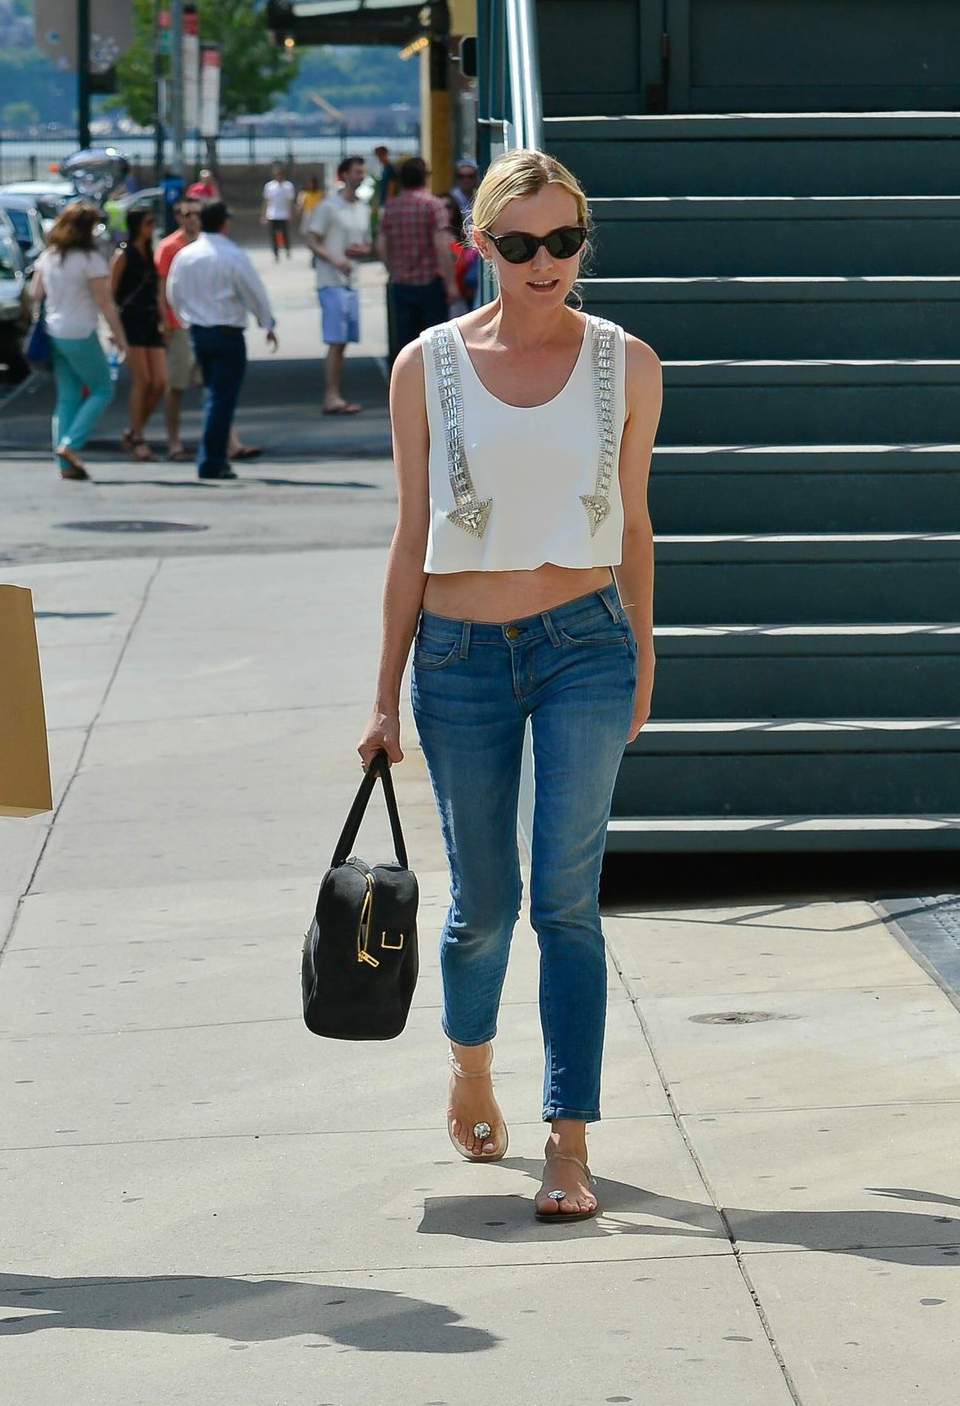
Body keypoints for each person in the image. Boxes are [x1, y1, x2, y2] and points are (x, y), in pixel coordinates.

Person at [358, 148, 662, 1224]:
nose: (546, 263)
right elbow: (408, 539)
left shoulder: (628, 361)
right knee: (483, 908)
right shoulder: (426, 364)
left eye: (565, 241)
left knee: (567, 904)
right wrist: (383, 695)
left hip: (585, 645)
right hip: (458, 657)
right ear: (479, 246)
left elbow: (631, 520)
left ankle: (568, 1141)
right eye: (521, 243)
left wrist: (646, 648)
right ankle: (471, 1067)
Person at [165, 199, 279, 480]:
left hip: (199, 332)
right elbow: (254, 292)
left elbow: (173, 292)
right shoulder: (232, 255)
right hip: (227, 333)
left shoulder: (187, 255)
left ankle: (213, 457)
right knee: (220, 398)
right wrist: (267, 323)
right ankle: (212, 460)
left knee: (214, 395)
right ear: (225, 223)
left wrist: (183, 319)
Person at [29, 201, 127, 481]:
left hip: (54, 331)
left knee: (68, 396)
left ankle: (64, 464)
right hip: (81, 331)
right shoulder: (90, 260)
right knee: (102, 389)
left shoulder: (49, 256)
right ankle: (70, 445)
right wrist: (121, 339)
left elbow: (36, 292)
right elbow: (105, 303)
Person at [305, 154, 372, 417]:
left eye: (362, 172)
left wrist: (362, 250)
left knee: (343, 340)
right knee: (335, 339)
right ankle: (331, 394)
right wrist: (335, 259)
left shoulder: (363, 207)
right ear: (343, 175)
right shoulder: (328, 206)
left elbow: (367, 243)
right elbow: (312, 237)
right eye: (356, 171)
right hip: (331, 280)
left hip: (351, 280)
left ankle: (335, 392)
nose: (360, 176)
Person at [377, 157, 456, 353]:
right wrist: (451, 283)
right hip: (429, 282)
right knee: (435, 342)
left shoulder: (390, 208)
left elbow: (381, 244)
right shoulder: (433, 205)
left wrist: (392, 268)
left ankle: (404, 380)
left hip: (401, 283)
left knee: (405, 342)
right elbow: (441, 244)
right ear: (424, 178)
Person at [111, 205, 166, 461]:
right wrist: (113, 330)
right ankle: (139, 438)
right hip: (130, 320)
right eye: (148, 222)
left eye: (153, 222)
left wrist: (163, 318)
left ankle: (133, 431)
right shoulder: (123, 254)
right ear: (136, 225)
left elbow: (156, 290)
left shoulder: (149, 253)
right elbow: (110, 292)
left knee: (160, 382)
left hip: (149, 320)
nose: (151, 227)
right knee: (142, 381)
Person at [154, 198, 203, 462]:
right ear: (178, 217)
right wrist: (165, 321)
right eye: (188, 214)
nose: (194, 218)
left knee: (214, 384)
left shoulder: (208, 243)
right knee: (176, 385)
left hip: (206, 323)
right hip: (179, 324)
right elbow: (162, 288)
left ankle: (227, 441)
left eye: (198, 213)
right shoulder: (168, 247)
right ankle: (174, 442)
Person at [262, 163, 297, 262]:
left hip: (284, 214)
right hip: (272, 214)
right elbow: (266, 201)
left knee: (285, 234)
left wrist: (291, 214)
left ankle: (287, 250)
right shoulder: (269, 186)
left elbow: (291, 201)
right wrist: (264, 215)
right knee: (273, 235)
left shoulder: (288, 186)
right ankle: (276, 253)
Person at [450, 157, 478, 226]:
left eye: (470, 176)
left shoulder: (478, 197)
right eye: (461, 176)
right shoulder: (451, 198)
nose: (466, 180)